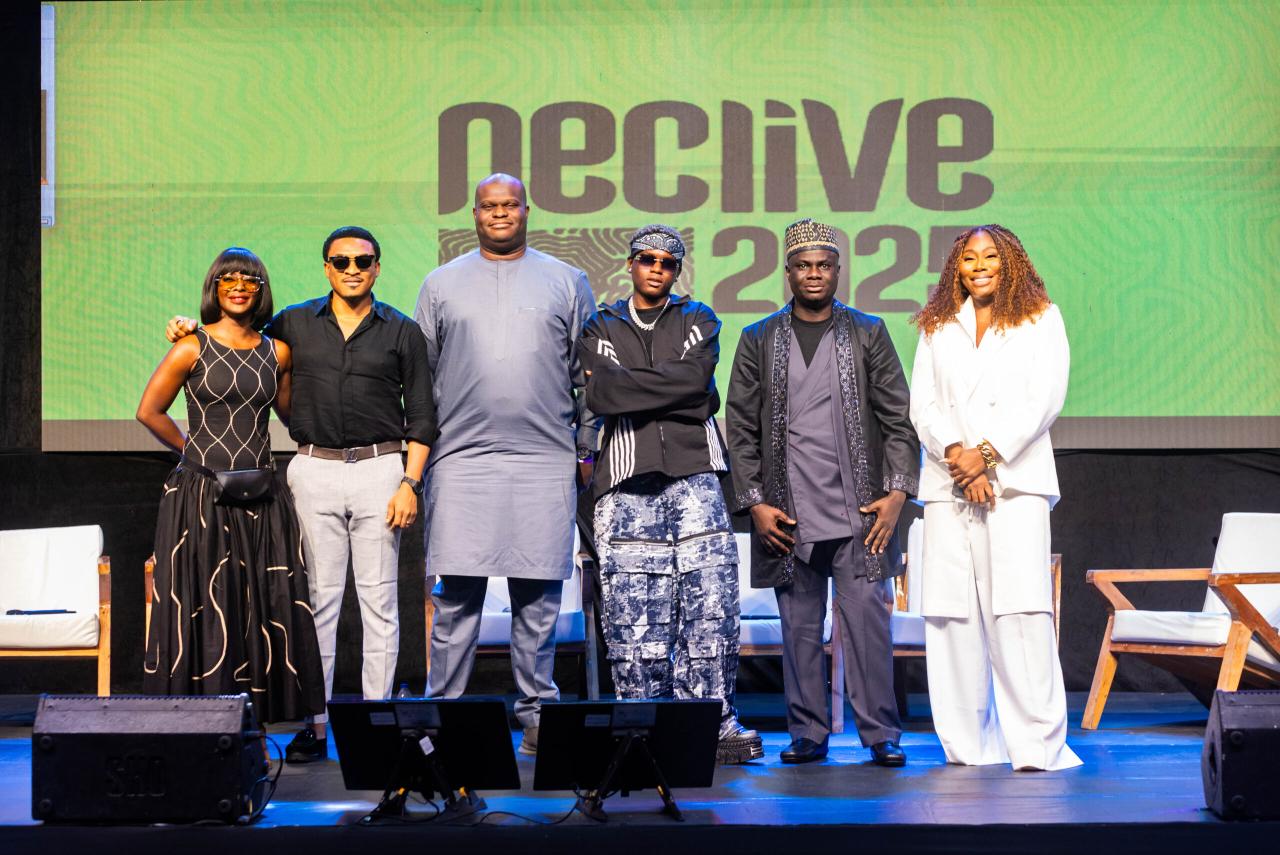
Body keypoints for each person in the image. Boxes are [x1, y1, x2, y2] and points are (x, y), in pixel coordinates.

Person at [165, 227, 436, 763]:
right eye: (341, 261)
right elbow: (233, 334)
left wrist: (410, 481)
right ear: (326, 267)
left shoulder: (403, 331)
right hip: (313, 469)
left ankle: (377, 722)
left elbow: (424, 414)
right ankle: (318, 724)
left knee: (381, 602)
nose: (352, 269)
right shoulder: (291, 322)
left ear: (378, 267)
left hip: (382, 469)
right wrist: (187, 326)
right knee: (317, 603)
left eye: (363, 261)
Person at [725, 219, 918, 766]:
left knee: (869, 628)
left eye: (824, 265)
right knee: (799, 630)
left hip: (862, 512)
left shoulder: (868, 332)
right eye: (804, 265)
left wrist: (897, 495)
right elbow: (739, 426)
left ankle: (881, 734)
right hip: (787, 511)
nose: (814, 274)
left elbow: (898, 420)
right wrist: (756, 503)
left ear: (837, 271)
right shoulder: (759, 338)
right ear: (788, 272)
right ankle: (807, 732)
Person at [415, 173, 596, 755]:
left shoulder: (567, 280)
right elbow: (422, 376)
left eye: (510, 204)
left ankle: (538, 712)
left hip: (545, 458)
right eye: (490, 206)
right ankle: (443, 713)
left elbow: (590, 375)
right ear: (474, 214)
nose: (500, 214)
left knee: (538, 600)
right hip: (461, 459)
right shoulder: (440, 284)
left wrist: (586, 448)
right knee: (456, 597)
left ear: (526, 210)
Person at [577, 224, 763, 764]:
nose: (656, 268)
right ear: (630, 264)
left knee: (710, 608)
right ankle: (642, 726)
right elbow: (603, 394)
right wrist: (674, 388)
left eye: (667, 262)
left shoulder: (698, 317)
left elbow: (696, 384)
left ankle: (712, 724)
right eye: (647, 259)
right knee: (636, 616)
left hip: (696, 476)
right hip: (624, 482)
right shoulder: (600, 324)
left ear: (677, 271)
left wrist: (645, 386)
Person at [909, 224, 1081, 771]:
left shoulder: (1040, 318)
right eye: (968, 258)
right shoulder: (938, 325)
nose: (979, 266)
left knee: (1020, 610)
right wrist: (958, 456)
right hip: (949, 485)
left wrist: (986, 455)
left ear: (1010, 262)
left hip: (1015, 485)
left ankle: (1037, 746)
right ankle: (967, 746)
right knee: (951, 615)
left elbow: (1044, 398)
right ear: (955, 268)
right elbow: (922, 405)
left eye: (990, 256)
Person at [137, 247, 324, 724]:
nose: (240, 286)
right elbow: (149, 411)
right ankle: (195, 724)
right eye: (229, 279)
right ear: (215, 287)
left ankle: (254, 725)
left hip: (262, 497)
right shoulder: (191, 346)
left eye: (250, 280)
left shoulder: (277, 352)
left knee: (259, 605)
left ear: (261, 290)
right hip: (200, 496)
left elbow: (290, 415)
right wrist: (191, 451)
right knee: (205, 603)